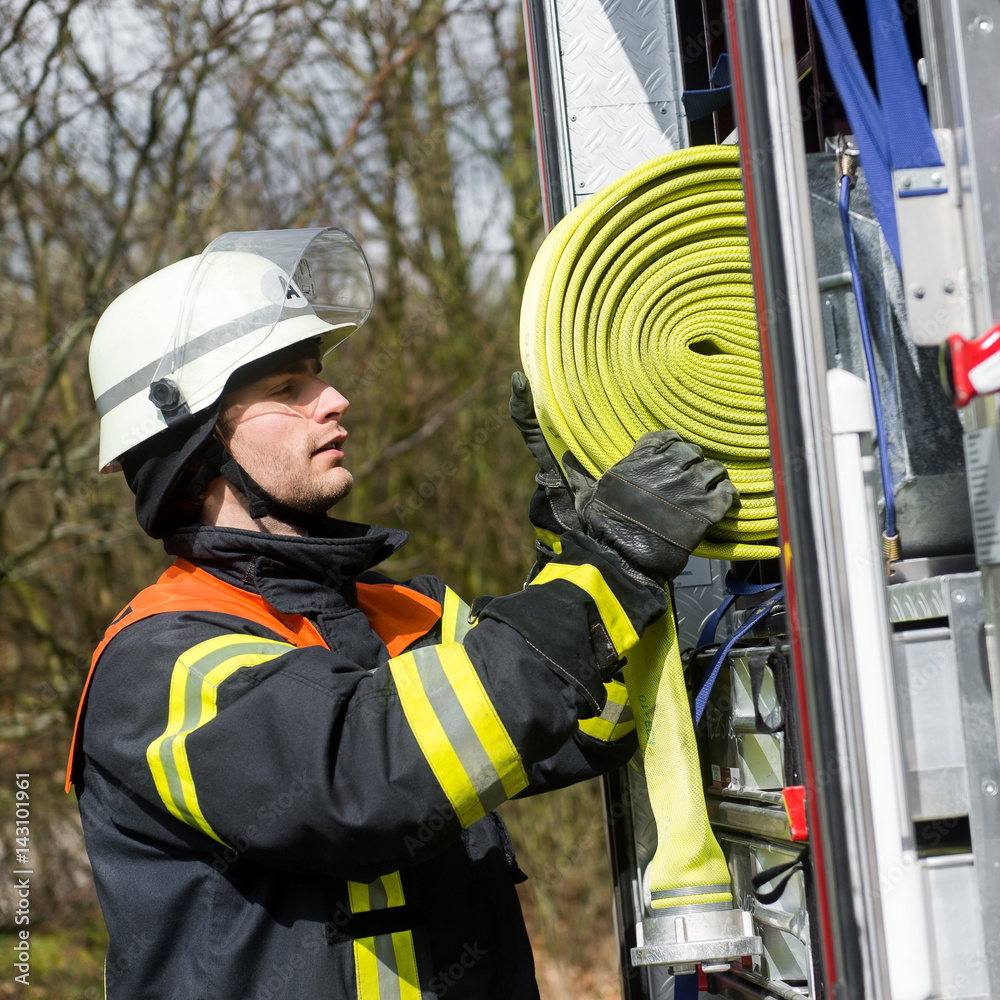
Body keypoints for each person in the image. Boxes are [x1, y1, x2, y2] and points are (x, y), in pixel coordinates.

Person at [66, 228, 736, 999]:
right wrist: (609, 564)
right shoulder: (159, 663)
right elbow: (365, 779)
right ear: (193, 442)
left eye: (319, 377)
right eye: (288, 389)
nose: (337, 399)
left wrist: (576, 537)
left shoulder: (403, 614)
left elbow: (597, 720)